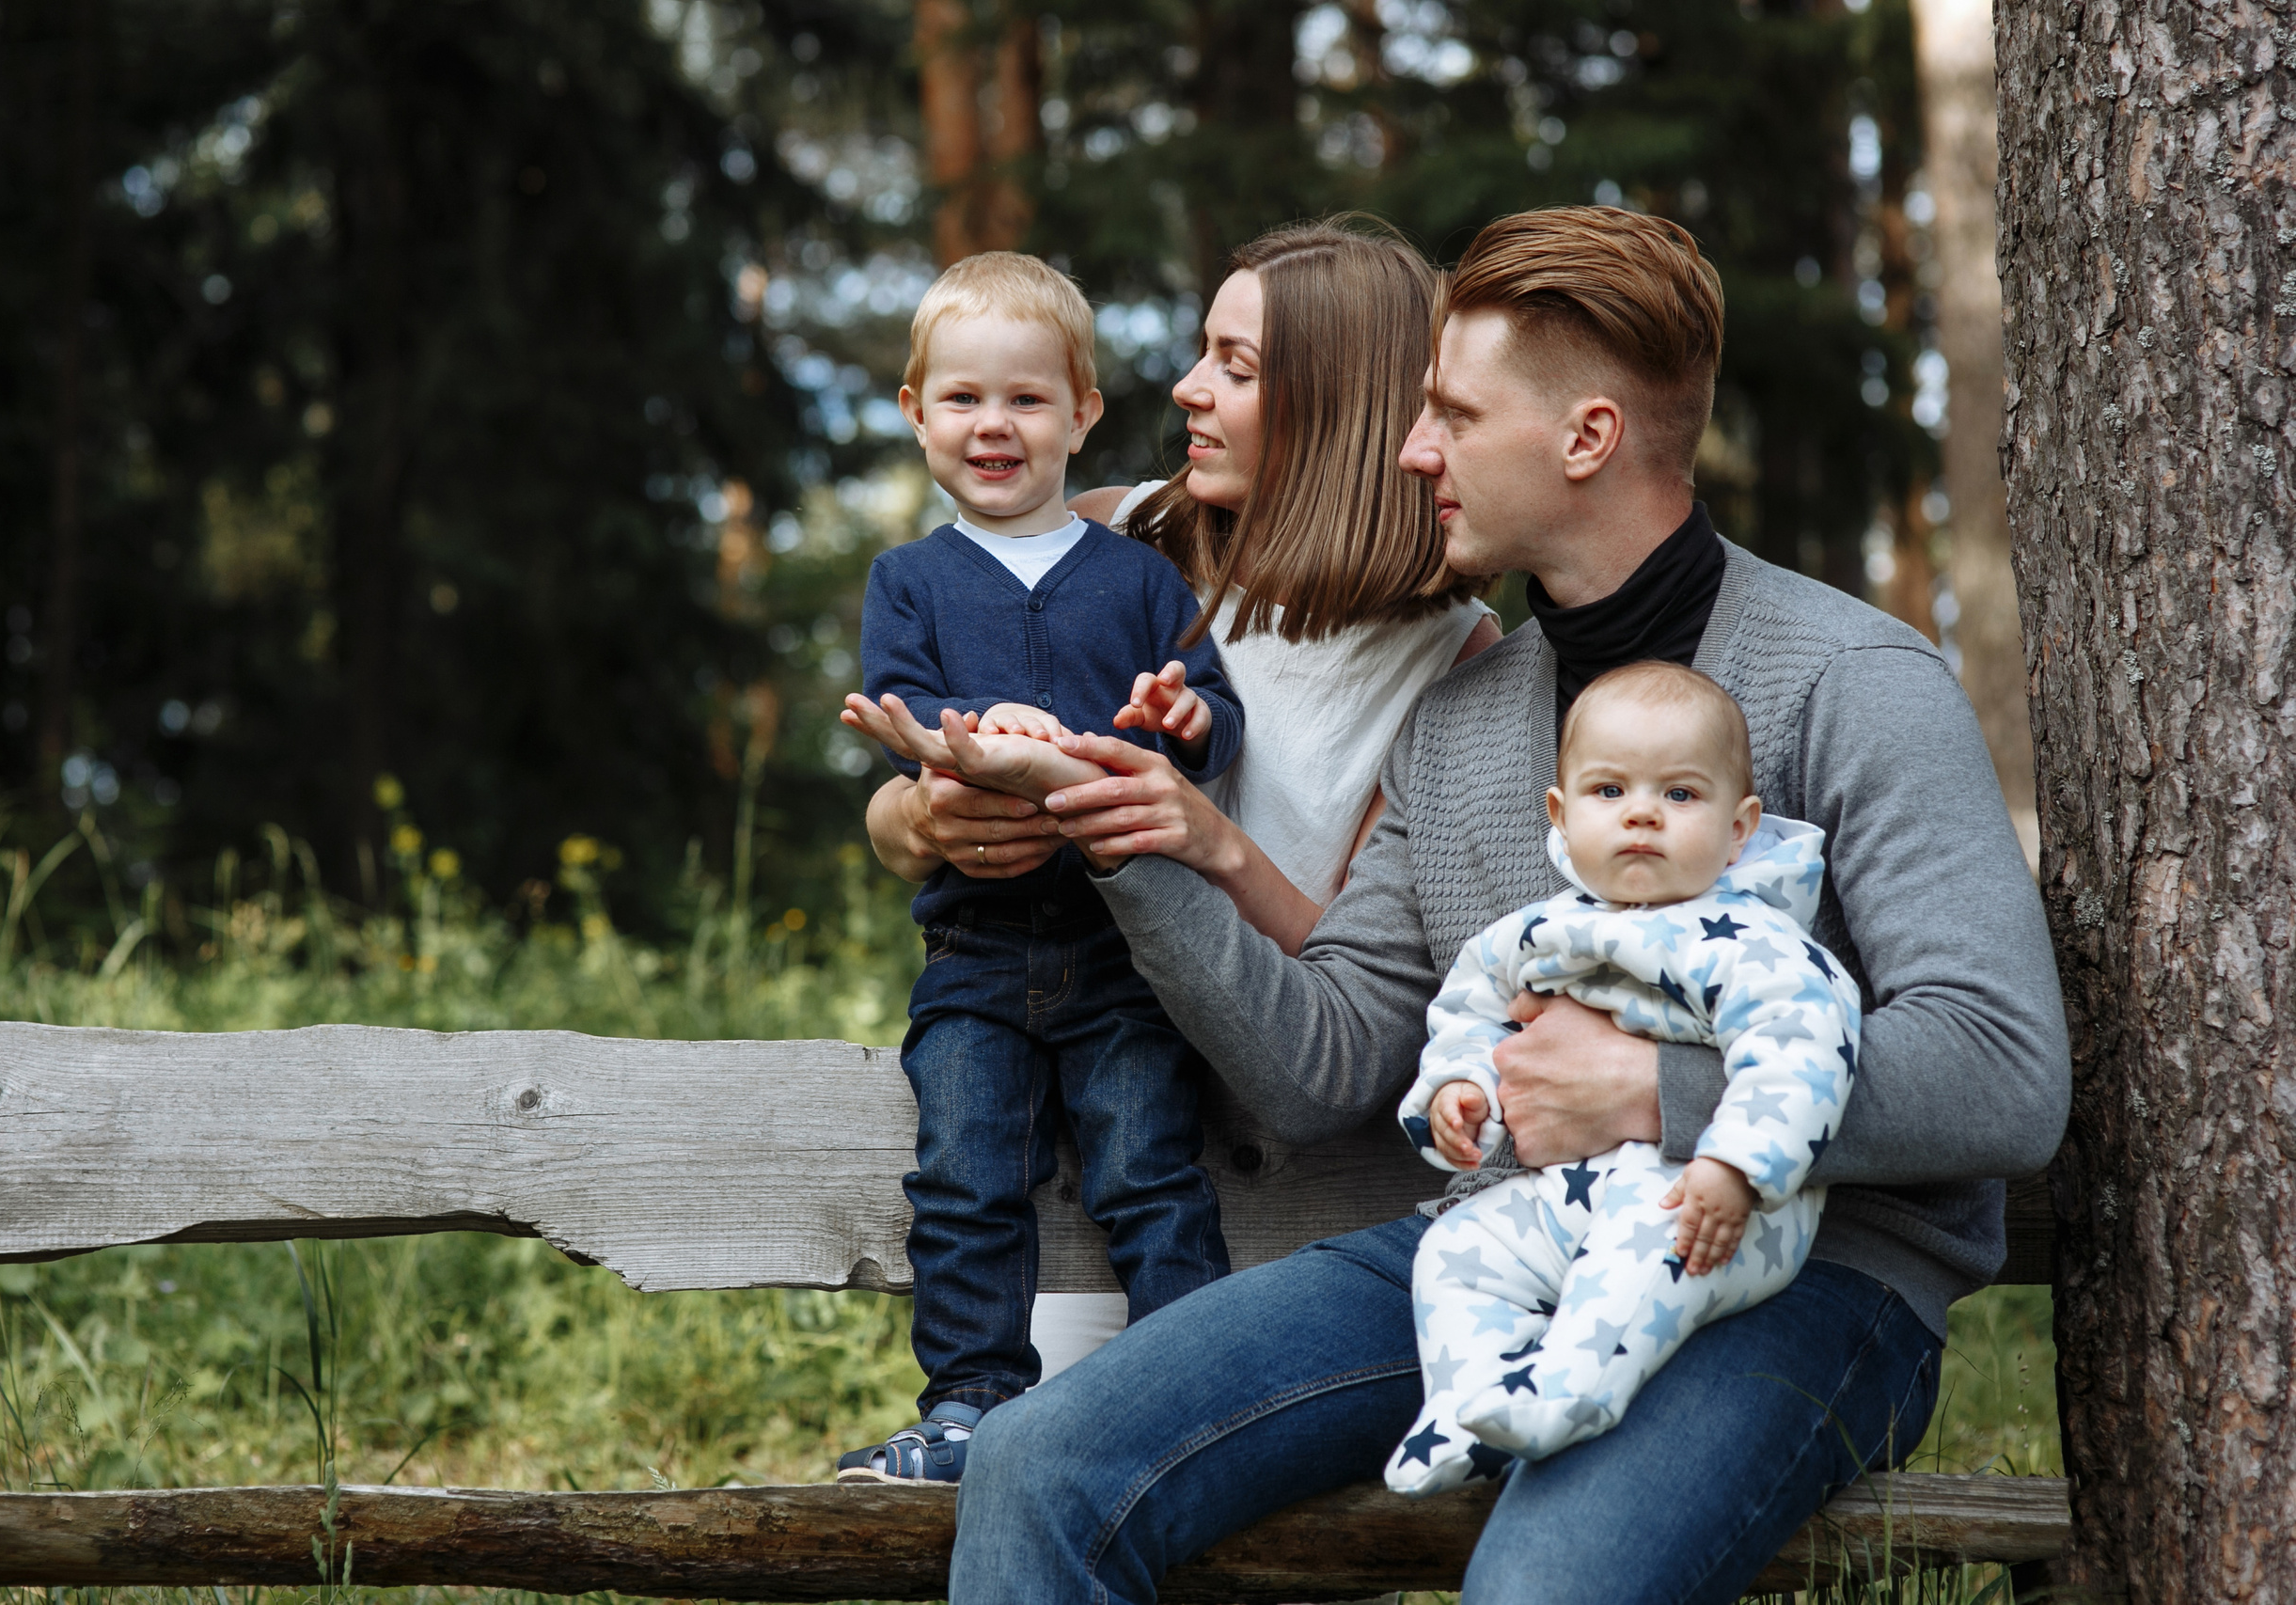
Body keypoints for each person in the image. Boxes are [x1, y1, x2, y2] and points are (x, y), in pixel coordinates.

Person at [949, 206, 2068, 1604]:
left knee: (1541, 1587)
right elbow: (1326, 1061)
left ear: (1585, 438)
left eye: (1453, 415)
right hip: (1498, 1248)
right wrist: (1140, 846)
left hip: (1807, 1274)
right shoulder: (1465, 721)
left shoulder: (1854, 677)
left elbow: (2006, 1070)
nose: (1414, 451)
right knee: (1043, 1460)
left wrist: (1651, 1088)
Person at [858, 217, 1497, 1375]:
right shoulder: (1110, 534)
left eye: (1235, 367)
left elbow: (1356, 992)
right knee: (1052, 1434)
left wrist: (1209, 841)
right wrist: (916, 820)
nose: (1189, 387)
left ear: (1335, 403)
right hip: (1081, 1094)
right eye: (1204, 350)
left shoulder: (1453, 659)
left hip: (1296, 1169)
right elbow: (910, 806)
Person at [832, 252, 1243, 1485]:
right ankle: (969, 1399)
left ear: (1082, 411)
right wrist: (952, 741)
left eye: (1024, 398)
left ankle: (1198, 1392)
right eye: (960, 399)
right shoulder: (910, 578)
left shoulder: (1137, 574)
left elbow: (1205, 703)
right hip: (973, 948)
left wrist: (1185, 715)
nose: (992, 424)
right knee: (963, 1169)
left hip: (1124, 951)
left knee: (1150, 1164)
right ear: (915, 414)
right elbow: (903, 703)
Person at [1384, 660, 1861, 1492]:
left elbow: (1802, 1050)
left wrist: (1737, 1164)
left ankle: (1571, 1394)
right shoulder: (1536, 932)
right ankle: (1466, 1407)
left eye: (1680, 795)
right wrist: (1463, 1091)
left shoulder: (1754, 941)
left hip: (1708, 1207)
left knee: (1635, 1262)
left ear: (1740, 827)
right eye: (1609, 791)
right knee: (1457, 1248)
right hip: (1571, 1194)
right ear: (1561, 818)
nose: (1642, 811)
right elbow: (1469, 1013)